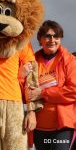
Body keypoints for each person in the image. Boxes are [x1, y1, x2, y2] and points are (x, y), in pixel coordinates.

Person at [26, 20, 76, 150]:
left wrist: (43, 93)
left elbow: (73, 91)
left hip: (62, 128)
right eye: (48, 36)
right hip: (38, 127)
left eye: (56, 36)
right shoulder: (32, 61)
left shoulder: (70, 60)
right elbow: (25, 89)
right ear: (40, 39)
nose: (52, 40)